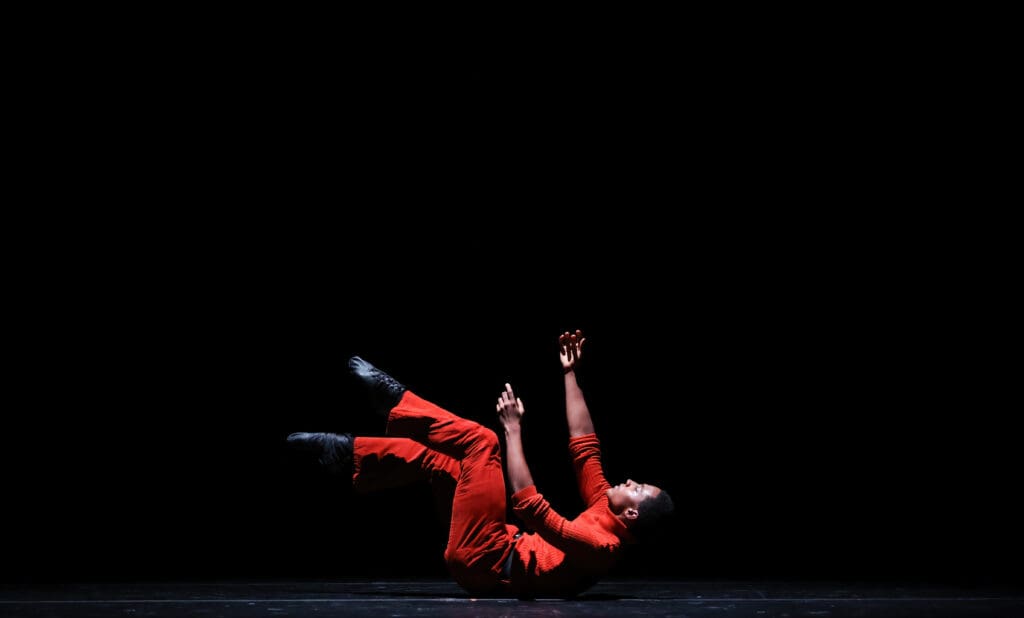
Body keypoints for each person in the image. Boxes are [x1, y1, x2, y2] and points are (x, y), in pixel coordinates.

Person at [286, 329, 674, 599]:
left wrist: (513, 430)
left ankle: (396, 401)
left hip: (486, 558)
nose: (629, 480)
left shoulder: (602, 546)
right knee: (442, 459)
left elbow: (531, 509)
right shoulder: (604, 509)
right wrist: (570, 372)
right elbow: (584, 447)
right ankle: (348, 454)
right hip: (493, 545)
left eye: (638, 488)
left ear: (633, 515)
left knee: (481, 441)